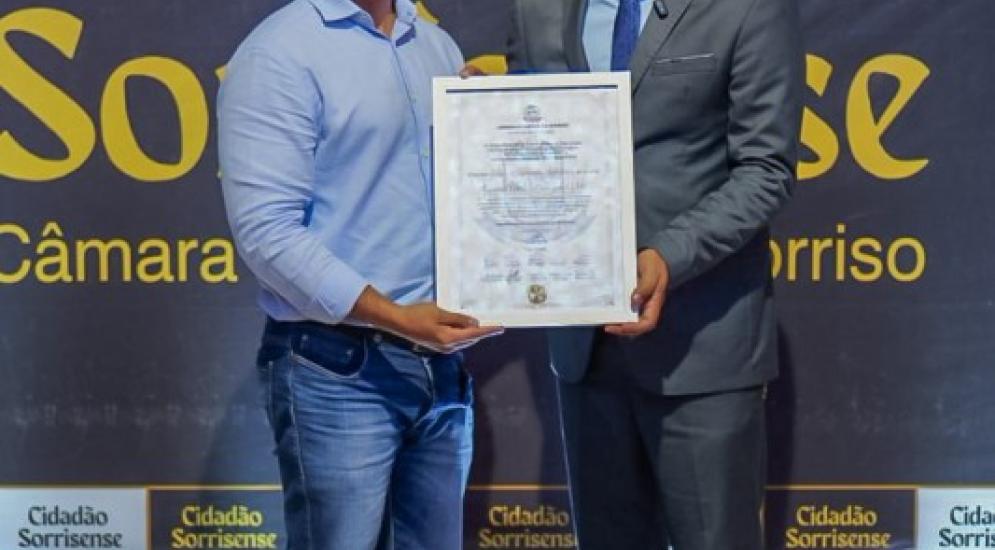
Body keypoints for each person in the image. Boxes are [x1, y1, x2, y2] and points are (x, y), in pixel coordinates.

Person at [502, 0, 803, 547]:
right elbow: (529, 145)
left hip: (703, 347)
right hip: (585, 348)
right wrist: (483, 121)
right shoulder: (535, 9)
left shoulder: (748, 7)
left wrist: (669, 255)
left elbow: (765, 169)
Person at [218, 0, 501, 548]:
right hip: (337, 369)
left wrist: (493, 128)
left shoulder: (435, 46)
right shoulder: (279, 52)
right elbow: (267, 234)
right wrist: (394, 316)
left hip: (440, 367)